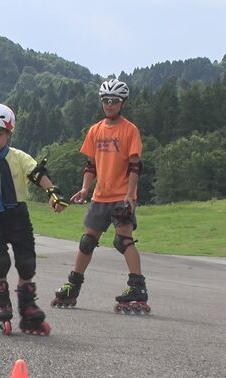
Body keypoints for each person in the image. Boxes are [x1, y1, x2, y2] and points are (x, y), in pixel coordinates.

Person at [0, 102, 69, 335]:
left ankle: (27, 308)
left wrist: (52, 194)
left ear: (9, 134)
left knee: (26, 262)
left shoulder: (18, 157)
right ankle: (1, 301)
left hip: (17, 215)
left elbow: (37, 173)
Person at [51, 78, 150, 314]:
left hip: (121, 196)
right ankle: (72, 286)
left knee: (122, 239)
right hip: (99, 196)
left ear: (122, 103)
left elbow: (136, 166)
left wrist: (130, 196)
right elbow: (90, 165)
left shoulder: (130, 130)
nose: (109, 104)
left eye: (114, 101)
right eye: (106, 100)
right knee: (87, 242)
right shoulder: (95, 130)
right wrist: (85, 189)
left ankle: (137, 288)